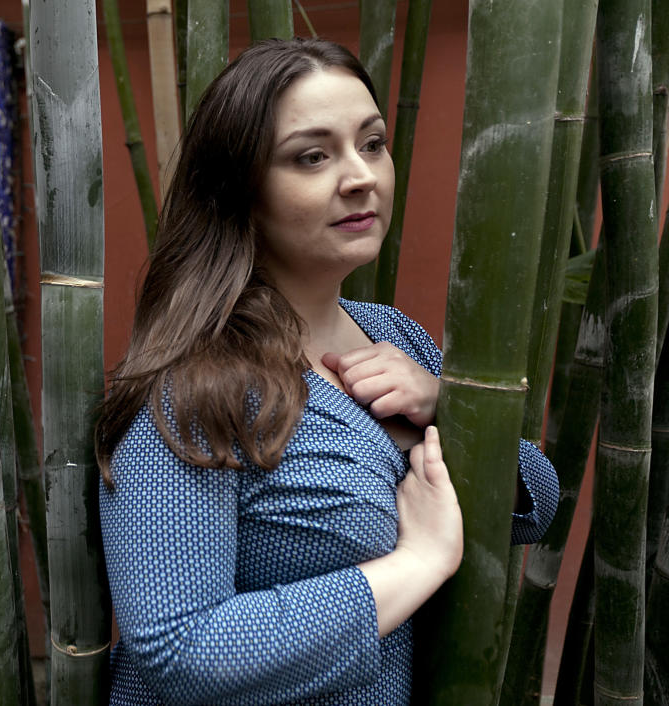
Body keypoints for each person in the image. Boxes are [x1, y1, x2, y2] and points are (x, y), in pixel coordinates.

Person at [95, 38, 558, 705]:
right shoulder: (194, 388)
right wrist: (416, 564)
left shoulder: (393, 334)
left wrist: (445, 406)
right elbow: (179, 649)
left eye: (371, 144)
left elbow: (532, 507)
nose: (360, 175)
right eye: (312, 157)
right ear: (241, 191)